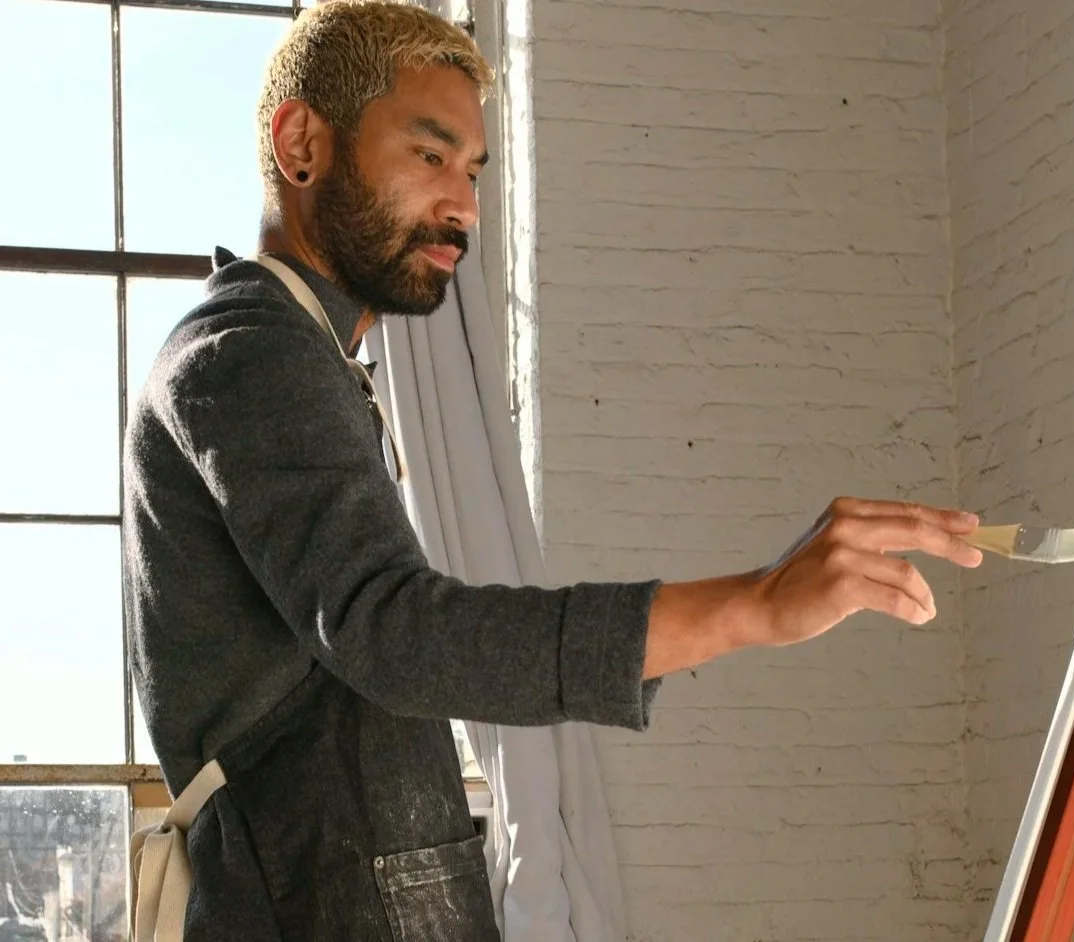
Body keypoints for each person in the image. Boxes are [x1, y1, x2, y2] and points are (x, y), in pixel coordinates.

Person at [119, 1, 983, 938]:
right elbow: (397, 634)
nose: (463, 206)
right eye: (429, 155)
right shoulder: (252, 350)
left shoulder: (302, 354)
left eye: (475, 171)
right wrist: (754, 605)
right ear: (300, 145)